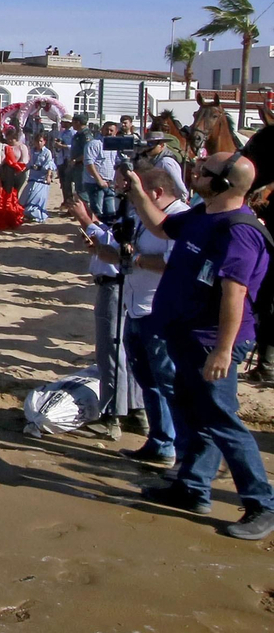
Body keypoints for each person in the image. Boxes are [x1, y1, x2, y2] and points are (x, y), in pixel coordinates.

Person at [125, 153, 274, 539]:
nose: (194, 174)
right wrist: (139, 192)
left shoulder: (239, 230)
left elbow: (234, 295)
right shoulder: (201, 214)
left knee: (223, 420)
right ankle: (192, 488)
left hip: (213, 342)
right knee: (193, 413)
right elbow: (160, 227)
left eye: (203, 172)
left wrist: (222, 351)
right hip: (185, 335)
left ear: (224, 183)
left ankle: (261, 504)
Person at [118, 163, 191, 467]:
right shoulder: (145, 215)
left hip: (159, 312)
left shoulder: (180, 216)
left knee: (169, 383)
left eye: (138, 194)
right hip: (136, 307)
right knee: (147, 381)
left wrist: (137, 258)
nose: (134, 201)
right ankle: (159, 441)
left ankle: (180, 451)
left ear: (157, 193)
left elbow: (174, 262)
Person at [71, 198, 143, 441]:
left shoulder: (136, 213)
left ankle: (112, 416)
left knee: (111, 352)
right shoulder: (136, 211)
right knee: (126, 350)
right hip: (121, 287)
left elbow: (117, 247)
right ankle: (136, 411)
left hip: (115, 286)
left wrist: (86, 221)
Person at [82, 121, 119, 218]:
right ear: (102, 129)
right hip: (95, 183)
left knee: (110, 212)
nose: (109, 132)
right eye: (107, 129)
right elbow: (89, 163)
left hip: (110, 183)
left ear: (116, 132)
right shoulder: (94, 144)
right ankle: (94, 231)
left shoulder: (115, 146)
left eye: (112, 130)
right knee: (97, 212)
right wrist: (99, 180)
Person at [22, 133, 56, 223]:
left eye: (41, 141)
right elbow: (29, 164)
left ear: (44, 142)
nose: (39, 143)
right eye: (37, 141)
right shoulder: (32, 152)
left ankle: (37, 215)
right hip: (32, 178)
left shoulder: (47, 152)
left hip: (42, 180)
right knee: (26, 196)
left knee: (38, 198)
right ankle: (27, 214)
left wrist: (48, 176)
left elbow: (49, 165)